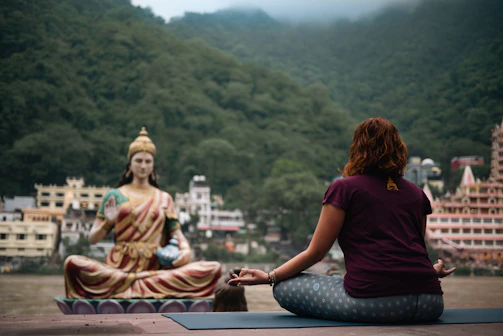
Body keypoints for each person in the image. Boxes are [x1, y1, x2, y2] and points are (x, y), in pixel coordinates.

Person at [229, 117, 456, 323]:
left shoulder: (344, 188)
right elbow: (414, 250)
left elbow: (316, 252)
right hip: (431, 303)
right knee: (340, 281)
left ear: (358, 149)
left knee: (283, 287)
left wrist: (270, 277)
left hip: (378, 305)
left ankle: (333, 281)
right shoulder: (417, 193)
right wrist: (431, 271)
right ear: (399, 149)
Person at [64, 128, 221, 299]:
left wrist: (185, 252)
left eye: (148, 161)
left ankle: (133, 285)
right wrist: (108, 223)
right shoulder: (115, 195)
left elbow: (178, 234)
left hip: (155, 268)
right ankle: (141, 285)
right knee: (72, 263)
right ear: (130, 164)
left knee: (213, 269)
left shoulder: (164, 198)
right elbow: (92, 239)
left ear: (153, 165)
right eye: (138, 160)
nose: (143, 166)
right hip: (118, 268)